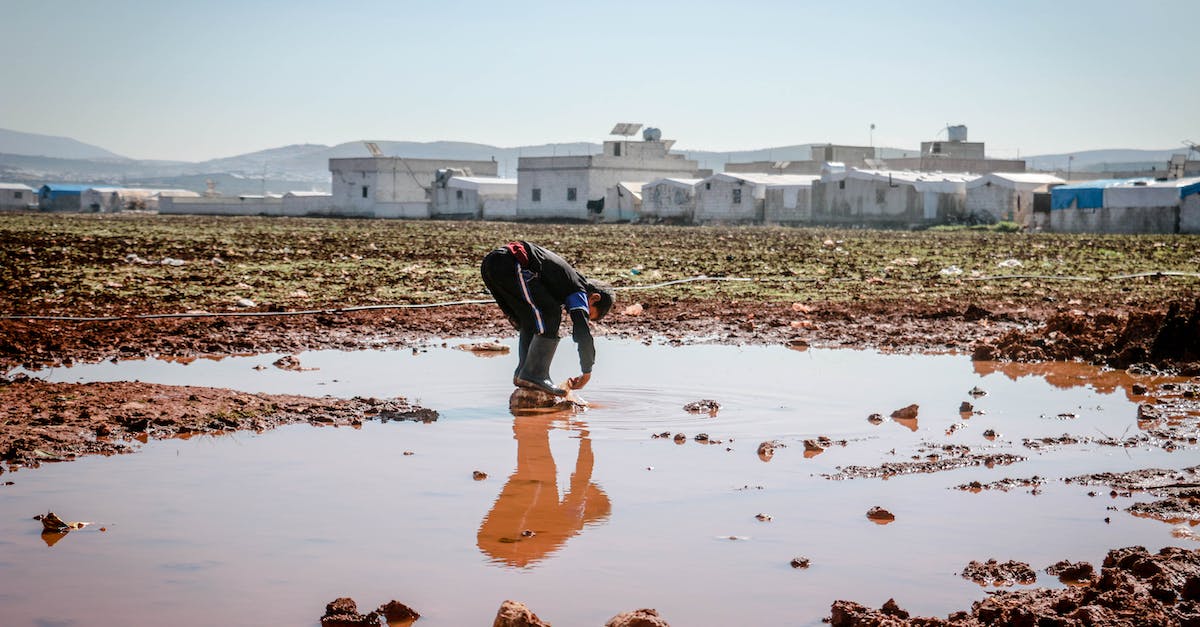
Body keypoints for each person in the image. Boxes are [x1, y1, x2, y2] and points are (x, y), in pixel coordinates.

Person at [480, 241, 615, 396]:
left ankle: (523, 374)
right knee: (551, 313)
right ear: (594, 298)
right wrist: (586, 372)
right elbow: (582, 332)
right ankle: (535, 374)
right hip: (510, 262)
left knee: (530, 320)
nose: (584, 315)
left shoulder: (562, 286)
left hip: (491, 264)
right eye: (589, 314)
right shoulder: (578, 291)